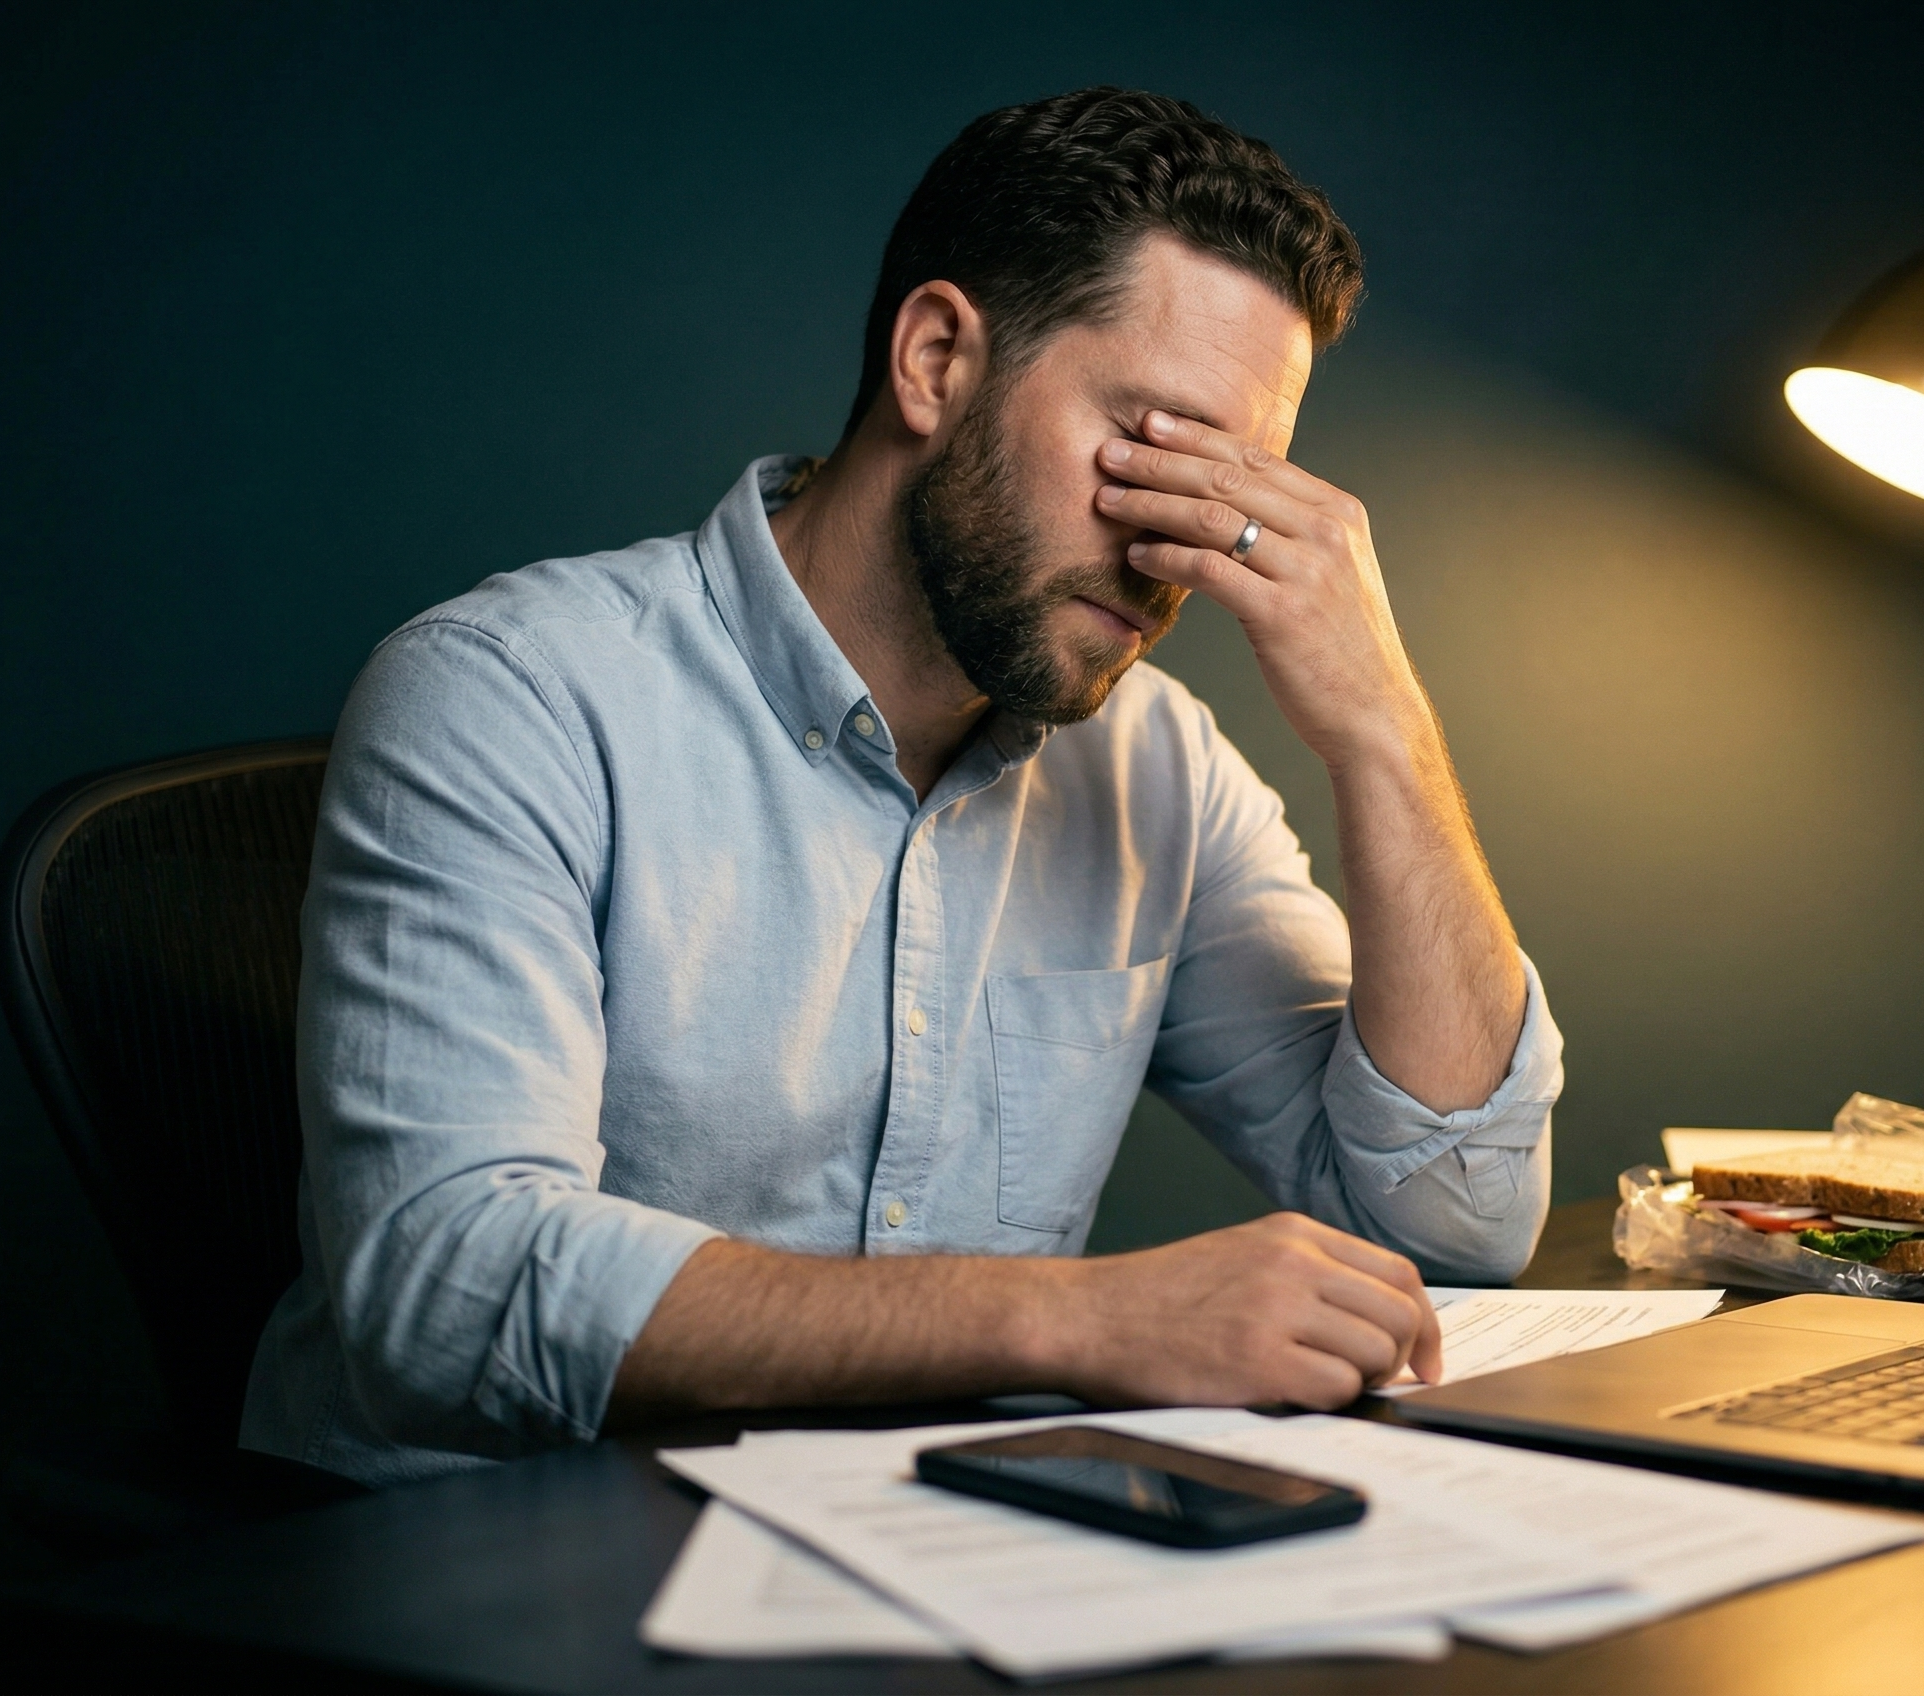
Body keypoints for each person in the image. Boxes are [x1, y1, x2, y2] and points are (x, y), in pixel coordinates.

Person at [243, 87, 1562, 1486]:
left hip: (934, 1559)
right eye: (1156, 449)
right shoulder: (510, 694)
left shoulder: (1157, 768)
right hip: (490, 1571)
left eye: (1238, 488)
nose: (1183, 547)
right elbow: (445, 1295)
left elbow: (1450, 1222)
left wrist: (1385, 730)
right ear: (935, 359)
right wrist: (1078, 1321)